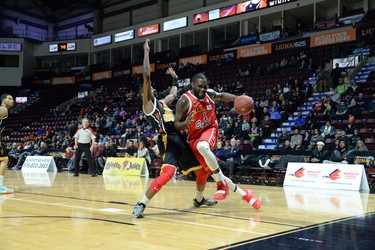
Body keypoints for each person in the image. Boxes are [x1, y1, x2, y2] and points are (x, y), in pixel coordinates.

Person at [132, 39, 217, 219]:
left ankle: (199, 199)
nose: (153, 88)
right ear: (144, 93)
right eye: (149, 88)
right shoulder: (148, 105)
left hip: (179, 138)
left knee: (202, 170)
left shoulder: (161, 103)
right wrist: (146, 52)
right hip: (168, 140)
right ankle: (141, 204)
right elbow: (147, 76)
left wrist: (175, 78)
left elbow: (173, 93)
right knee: (168, 173)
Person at [174, 73, 260, 210]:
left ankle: (220, 184)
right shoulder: (184, 101)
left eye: (205, 86)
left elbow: (220, 96)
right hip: (193, 138)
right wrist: (186, 122)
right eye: (200, 86)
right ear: (193, 85)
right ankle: (245, 195)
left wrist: (238, 99)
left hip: (210, 130)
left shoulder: (208, 94)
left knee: (204, 148)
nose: (203, 89)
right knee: (209, 172)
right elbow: (176, 125)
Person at [0, 94, 14, 194]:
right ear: (4, 100)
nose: (12, 100)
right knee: (4, 160)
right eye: (9, 99)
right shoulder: (3, 110)